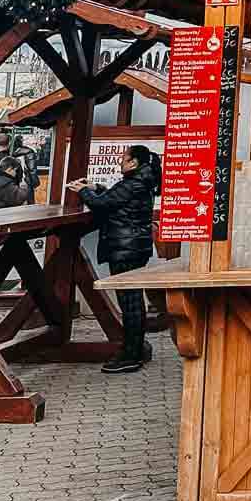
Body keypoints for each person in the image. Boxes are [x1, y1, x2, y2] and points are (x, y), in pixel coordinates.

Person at [67, 145, 161, 374]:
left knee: (129, 302)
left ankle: (131, 354)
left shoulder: (133, 183)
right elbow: (114, 196)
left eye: (124, 158)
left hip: (125, 248)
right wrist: (95, 187)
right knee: (133, 300)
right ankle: (134, 349)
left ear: (134, 163)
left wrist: (83, 192)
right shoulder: (141, 181)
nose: (120, 162)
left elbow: (103, 204)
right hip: (133, 247)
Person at [0, 129, 38, 204]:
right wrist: (34, 183)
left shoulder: (9, 154)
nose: (34, 142)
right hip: (19, 189)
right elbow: (31, 171)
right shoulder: (27, 154)